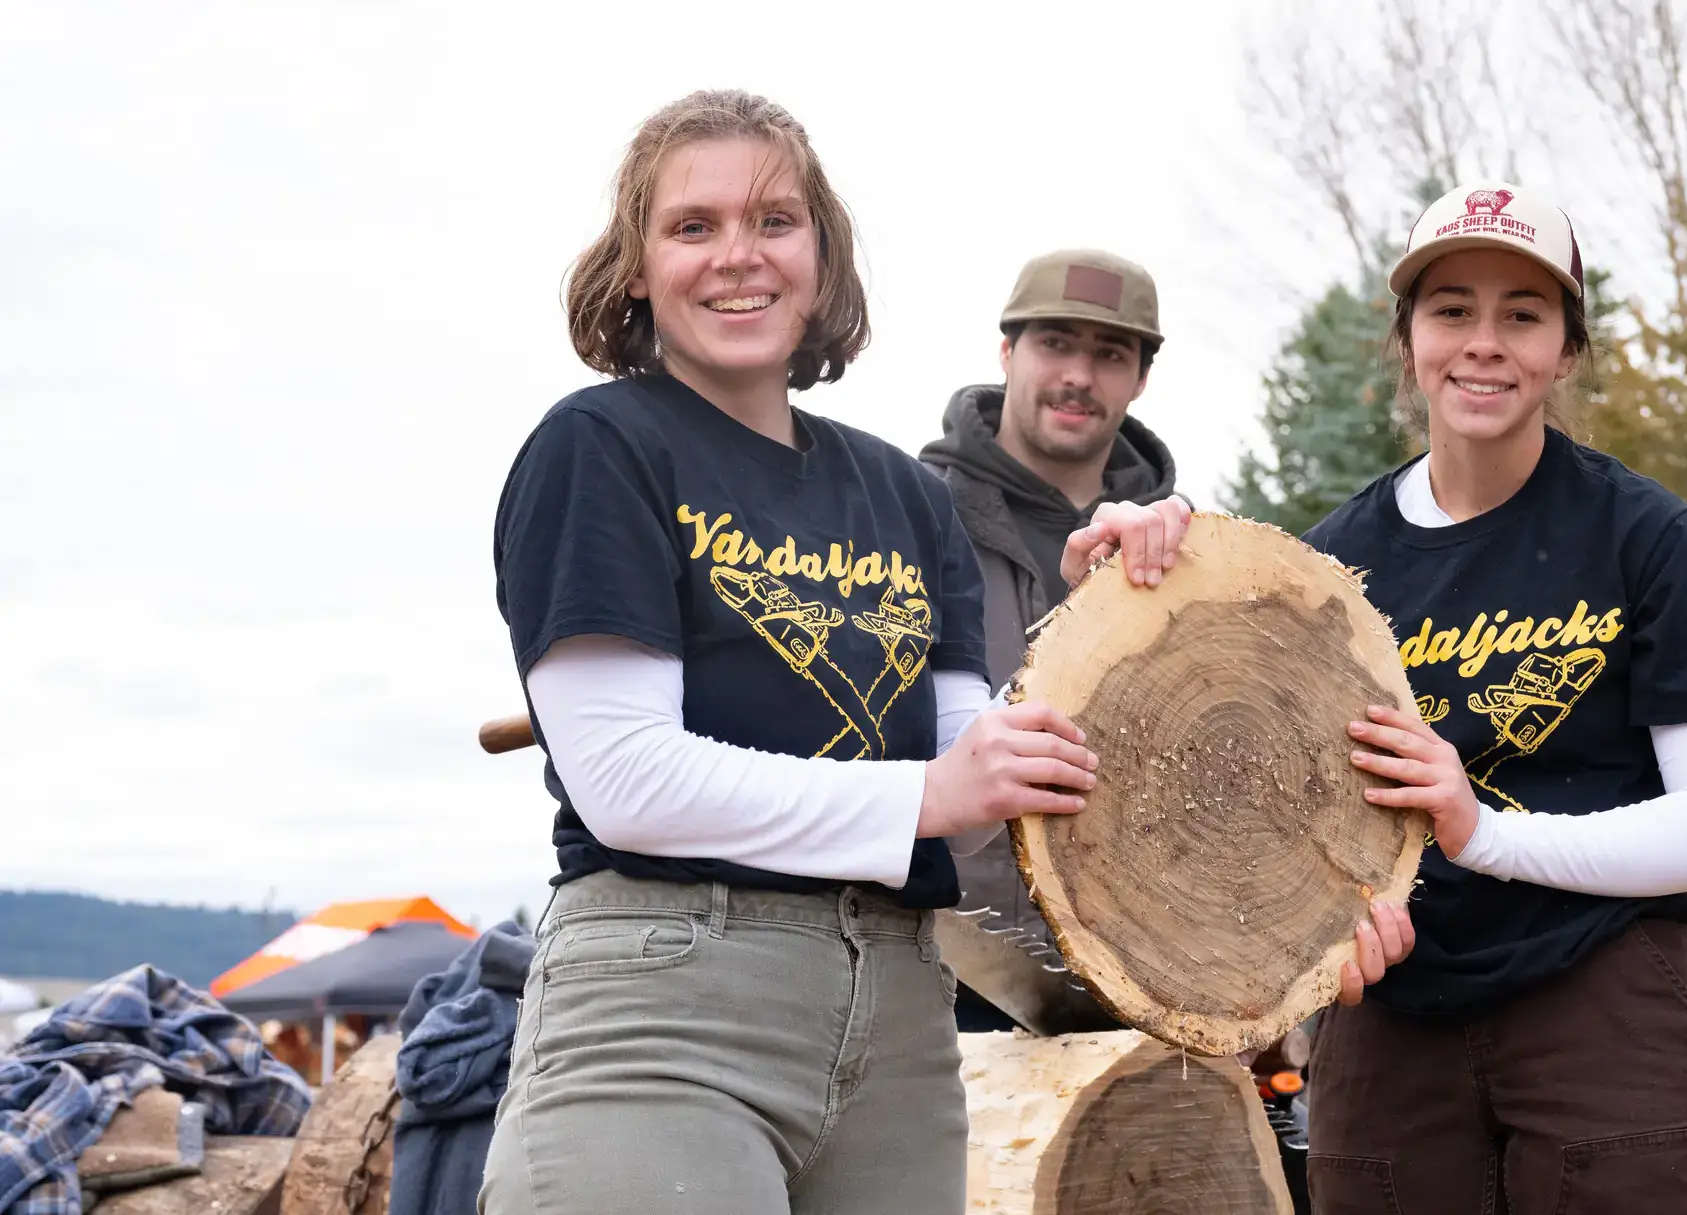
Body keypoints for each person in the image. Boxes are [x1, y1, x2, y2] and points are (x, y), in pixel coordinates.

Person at [475, 90, 1246, 1215]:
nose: (739, 255)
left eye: (776, 221)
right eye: (694, 226)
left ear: (824, 260)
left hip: (896, 1014)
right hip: (668, 996)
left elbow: (981, 779)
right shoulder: (600, 447)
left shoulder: (900, 492)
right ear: (637, 267)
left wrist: (1112, 619)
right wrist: (929, 794)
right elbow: (628, 785)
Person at [1296, 180, 1687, 1214]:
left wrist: (1483, 834)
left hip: (1603, 988)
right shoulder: (1330, 565)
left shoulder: (1645, 537)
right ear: (1408, 340)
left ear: (1565, 350)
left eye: (1522, 314)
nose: (1485, 342)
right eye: (1452, 309)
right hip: (1394, 1007)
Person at [918, 248, 1182, 1031]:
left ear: (1140, 380)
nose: (1079, 374)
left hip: (1134, 987)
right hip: (941, 979)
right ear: (1007, 354)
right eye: (1055, 344)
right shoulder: (908, 515)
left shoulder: (1182, 549)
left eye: (1110, 354)